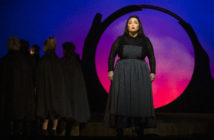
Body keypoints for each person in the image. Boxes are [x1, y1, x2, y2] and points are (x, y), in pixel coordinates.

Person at [104, 15, 157, 137]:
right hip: (122, 71)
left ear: (139, 25)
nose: (133, 24)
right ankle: (120, 128)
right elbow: (112, 55)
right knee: (122, 97)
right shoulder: (120, 40)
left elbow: (151, 56)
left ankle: (139, 127)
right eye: (130, 23)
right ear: (127, 26)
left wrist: (153, 71)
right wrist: (110, 70)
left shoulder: (145, 40)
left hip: (140, 71)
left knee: (139, 98)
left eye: (135, 22)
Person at [36, 37, 72, 136]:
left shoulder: (43, 61)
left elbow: (38, 78)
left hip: (45, 93)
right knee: (55, 115)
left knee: (45, 113)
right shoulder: (58, 62)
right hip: (57, 95)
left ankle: (45, 131)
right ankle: (53, 130)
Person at [0, 36, 35, 136]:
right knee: (21, 128)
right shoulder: (26, 62)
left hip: (8, 102)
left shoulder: (4, 61)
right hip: (24, 103)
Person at [61, 42, 90, 136]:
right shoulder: (76, 62)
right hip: (76, 93)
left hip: (70, 93)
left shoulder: (66, 62)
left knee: (72, 115)